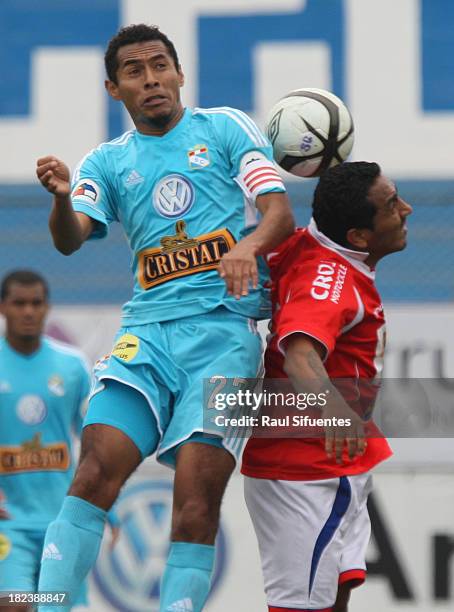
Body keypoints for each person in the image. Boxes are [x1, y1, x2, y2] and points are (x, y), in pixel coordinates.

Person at [35, 23, 294, 612]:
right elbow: (72, 240)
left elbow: (279, 213)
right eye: (134, 71)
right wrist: (59, 197)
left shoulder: (224, 128)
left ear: (180, 73)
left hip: (225, 339)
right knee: (94, 473)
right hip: (146, 337)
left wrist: (247, 248)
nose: (150, 80)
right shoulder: (106, 161)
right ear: (113, 88)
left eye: (159, 66)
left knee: (196, 506)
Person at [242, 161, 412, 612]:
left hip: (332, 463)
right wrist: (335, 411)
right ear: (358, 235)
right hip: (307, 470)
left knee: (333, 599)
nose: (407, 210)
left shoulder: (317, 245)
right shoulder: (329, 280)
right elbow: (299, 351)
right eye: (393, 205)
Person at [0, 270, 103, 611]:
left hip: (63, 519)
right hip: (9, 522)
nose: (28, 311)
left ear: (47, 308)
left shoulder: (72, 365)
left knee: (55, 605)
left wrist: (107, 508)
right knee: (14, 604)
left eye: (36, 303)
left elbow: (94, 440)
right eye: (19, 303)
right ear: (3, 307)